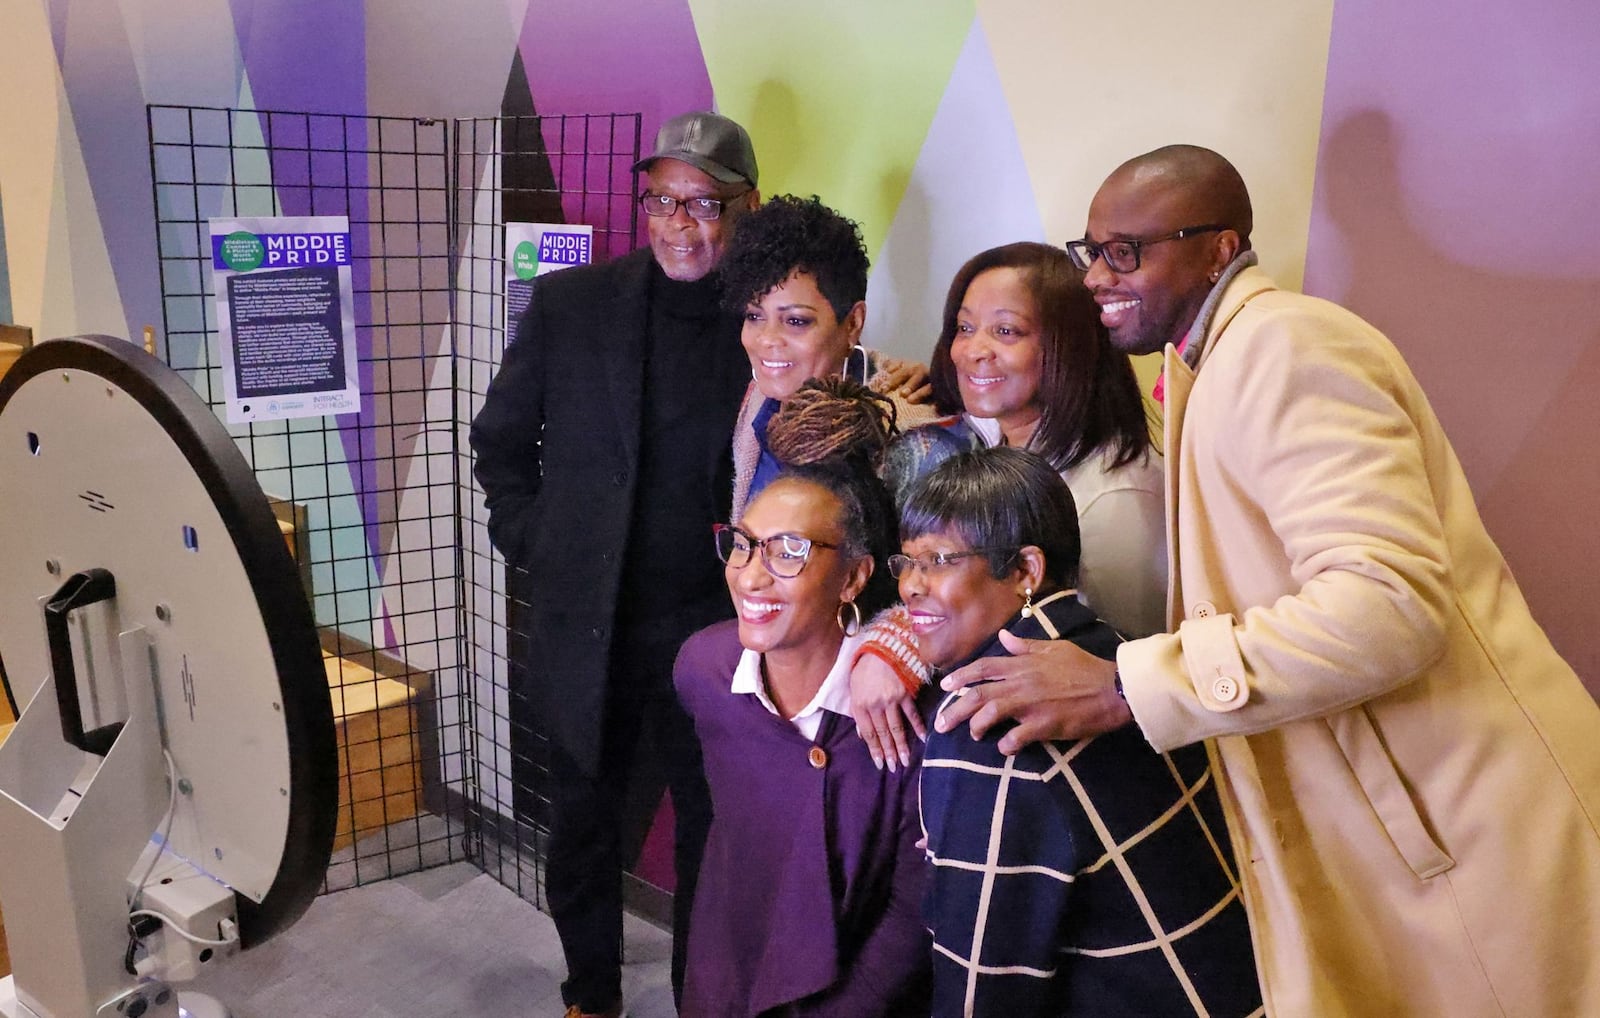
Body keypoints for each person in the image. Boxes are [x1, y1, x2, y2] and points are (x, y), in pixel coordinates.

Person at [937, 144, 1600, 1015]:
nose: (1099, 276)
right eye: (1092, 251)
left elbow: (1391, 605)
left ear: (1220, 248)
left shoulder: (1285, 344)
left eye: (1128, 251)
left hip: (1460, 820)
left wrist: (1131, 686)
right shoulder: (1203, 359)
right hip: (1386, 819)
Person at [469, 111, 761, 1018]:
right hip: (585, 622)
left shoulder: (769, 321)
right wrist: (538, 541)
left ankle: (697, 997)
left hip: (714, 635)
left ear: (745, 208)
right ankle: (590, 993)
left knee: (710, 832)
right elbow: (500, 446)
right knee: (584, 823)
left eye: (704, 203)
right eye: (663, 201)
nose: (681, 223)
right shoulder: (572, 304)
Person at [902, 445, 1259, 1017]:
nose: (911, 586)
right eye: (906, 563)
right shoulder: (1121, 653)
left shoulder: (988, 719)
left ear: (1025, 571)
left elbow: (983, 985)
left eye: (940, 560)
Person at [854, 242, 1166, 773]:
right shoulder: (1001, 449)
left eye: (1006, 332)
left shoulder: (1113, 498)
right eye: (964, 327)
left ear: (1069, 347)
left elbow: (1121, 677)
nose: (973, 350)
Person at [673, 377, 932, 1016]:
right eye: (742, 545)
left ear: (854, 576)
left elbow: (911, 909)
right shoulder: (703, 669)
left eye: (789, 552)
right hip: (726, 968)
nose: (751, 575)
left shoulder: (905, 722)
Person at [717, 194, 935, 522]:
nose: (767, 340)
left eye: (796, 321)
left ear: (853, 323)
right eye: (754, 316)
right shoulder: (757, 401)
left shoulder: (911, 438)